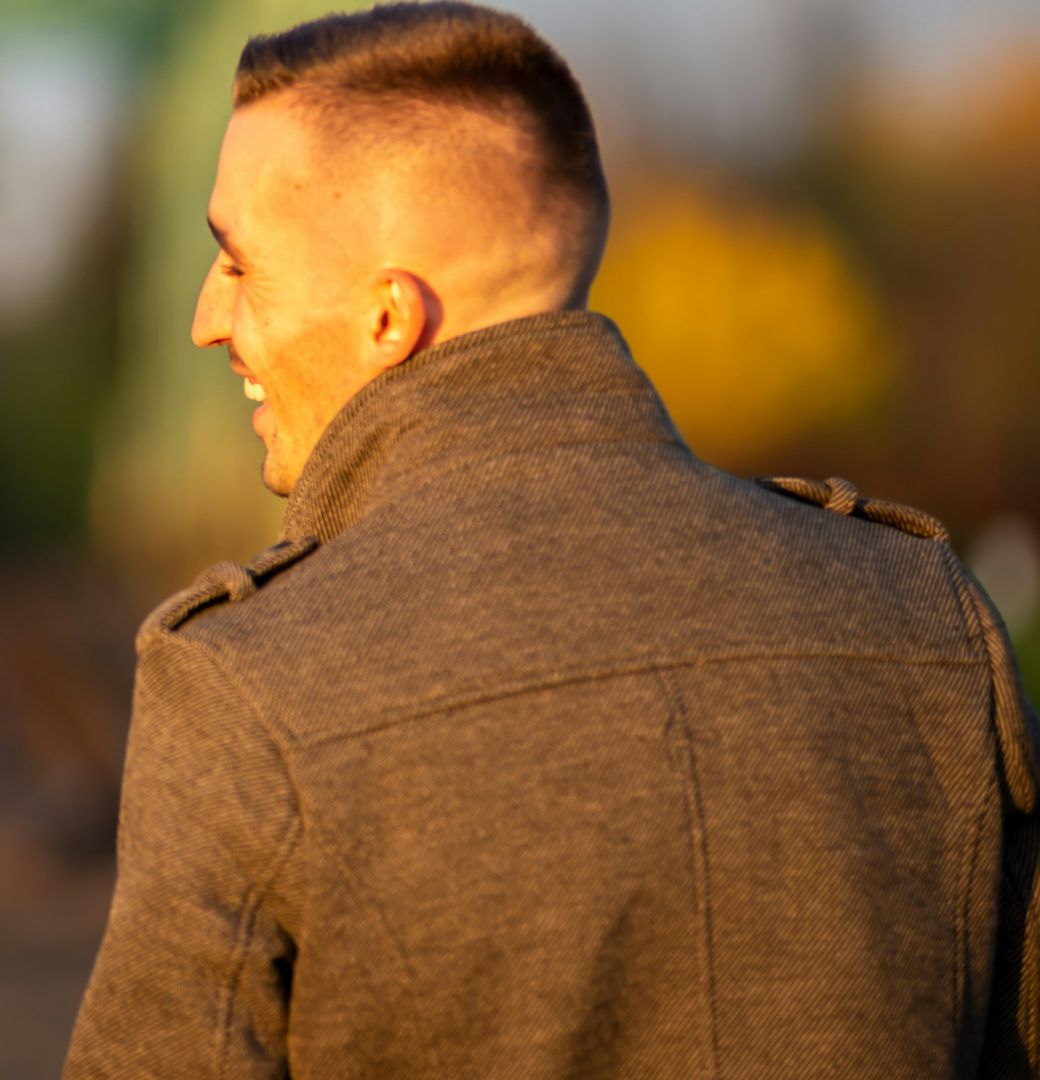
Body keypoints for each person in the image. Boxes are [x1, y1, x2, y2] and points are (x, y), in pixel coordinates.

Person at [66, 3, 1040, 1076]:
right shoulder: (921, 615)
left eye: (238, 264)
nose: (206, 316)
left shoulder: (248, 689)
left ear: (392, 318)